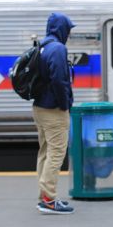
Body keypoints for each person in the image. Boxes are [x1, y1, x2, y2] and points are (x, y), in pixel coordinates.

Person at [33, 12, 75, 214]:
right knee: (57, 153)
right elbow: (59, 80)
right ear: (61, 28)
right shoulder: (58, 49)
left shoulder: (42, 46)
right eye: (68, 28)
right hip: (53, 109)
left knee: (45, 152)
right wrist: (65, 103)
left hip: (40, 107)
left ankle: (43, 196)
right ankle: (49, 199)